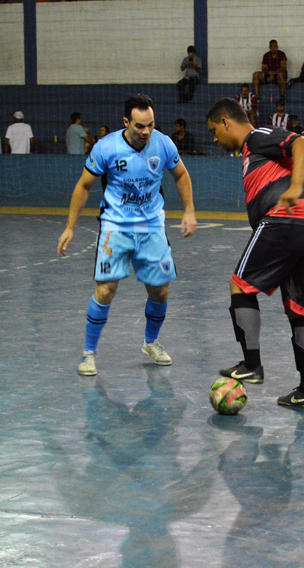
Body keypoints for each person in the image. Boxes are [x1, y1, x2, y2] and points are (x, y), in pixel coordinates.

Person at [206, 97, 304, 411]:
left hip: (287, 218)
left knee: (240, 285)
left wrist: (293, 186)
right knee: (300, 311)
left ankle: (251, 364)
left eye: (214, 130)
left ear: (225, 122)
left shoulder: (257, 136)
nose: (214, 138)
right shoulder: (254, 153)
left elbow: (303, 143)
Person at [57, 94, 197, 375]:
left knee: (161, 290)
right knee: (106, 289)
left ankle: (151, 342)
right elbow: (84, 186)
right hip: (115, 227)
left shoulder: (164, 143)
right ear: (126, 122)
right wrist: (70, 226)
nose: (146, 132)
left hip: (152, 227)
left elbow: (181, 174)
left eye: (150, 125)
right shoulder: (105, 148)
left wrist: (189, 210)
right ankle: (89, 353)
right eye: (139, 126)